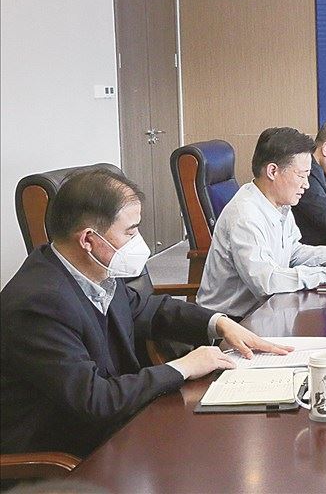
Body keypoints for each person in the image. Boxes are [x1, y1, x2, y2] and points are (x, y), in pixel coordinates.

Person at [0, 169, 290, 457]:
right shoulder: (38, 304)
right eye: (130, 231)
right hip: (65, 452)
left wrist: (220, 323)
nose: (139, 241)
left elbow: (148, 309)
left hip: (118, 424)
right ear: (88, 240)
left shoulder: (95, 270)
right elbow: (95, 399)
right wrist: (184, 366)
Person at [198, 127, 326, 318]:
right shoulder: (245, 216)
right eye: (301, 175)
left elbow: (292, 252)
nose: (306, 184)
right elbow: (267, 283)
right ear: (273, 171)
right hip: (233, 323)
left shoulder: (279, 203)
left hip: (269, 311)